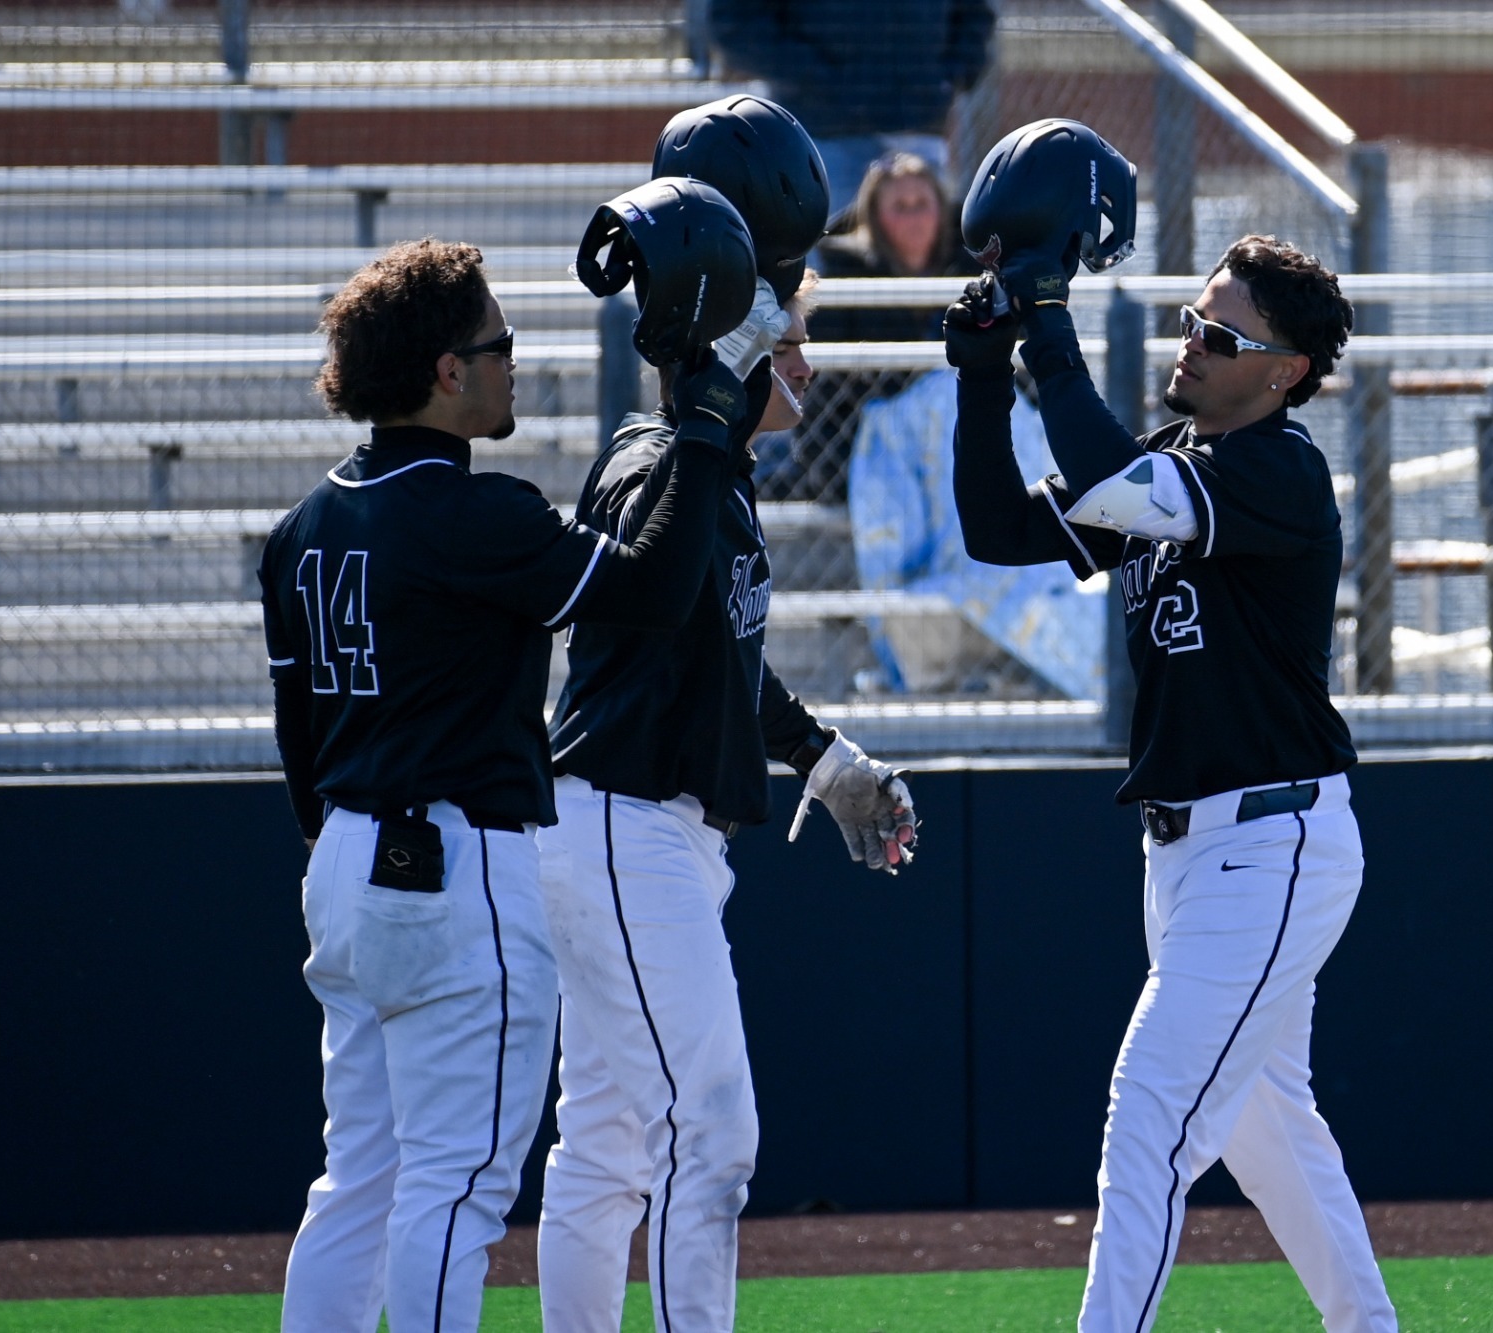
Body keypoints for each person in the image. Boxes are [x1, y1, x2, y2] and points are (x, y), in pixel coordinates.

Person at [262, 202, 761, 1333]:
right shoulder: (472, 511)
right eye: (497, 349)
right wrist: (701, 422)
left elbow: (297, 732)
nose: (511, 367)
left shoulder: (303, 525)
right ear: (445, 372)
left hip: (344, 861)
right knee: (457, 1187)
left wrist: (343, 846)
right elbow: (649, 589)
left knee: (358, 1183)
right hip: (457, 864)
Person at [944, 122, 1399, 1333]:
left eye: (1219, 337)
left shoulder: (1279, 470)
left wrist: (1042, 317)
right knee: (1268, 1130)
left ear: (1285, 371)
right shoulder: (1177, 454)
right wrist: (983, 376)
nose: (1188, 346)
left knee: (1147, 1111)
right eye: (1191, 322)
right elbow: (998, 529)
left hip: (1274, 838)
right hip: (1191, 853)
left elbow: (1095, 473)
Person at [533, 103, 919, 1333]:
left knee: (606, 1138)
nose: (799, 357)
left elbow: (723, 662)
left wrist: (823, 755)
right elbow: (648, 598)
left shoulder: (708, 475)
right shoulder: (663, 459)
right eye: (782, 336)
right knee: (715, 1130)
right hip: (624, 823)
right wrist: (712, 384)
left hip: (641, 829)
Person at [783, 152, 977, 503]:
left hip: (961, 442)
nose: (914, 217)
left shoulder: (974, 274)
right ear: (874, 215)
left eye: (922, 204)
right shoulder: (845, 278)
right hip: (874, 449)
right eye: (900, 207)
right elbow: (823, 396)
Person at [708, 0, 995, 221]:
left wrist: (947, 78)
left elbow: (975, 15)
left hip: (919, 127)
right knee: (830, 275)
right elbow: (734, 22)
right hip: (824, 138)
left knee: (927, 273)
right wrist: (817, 78)